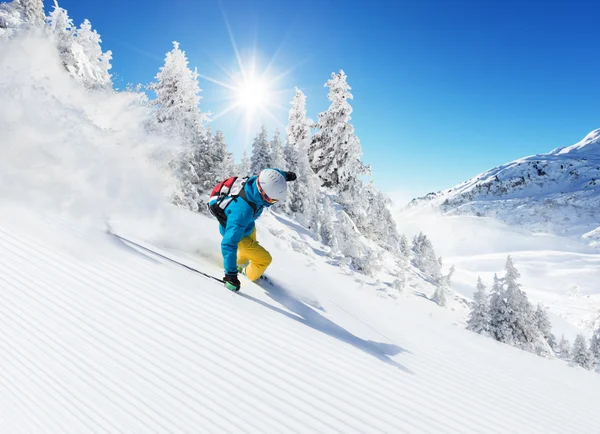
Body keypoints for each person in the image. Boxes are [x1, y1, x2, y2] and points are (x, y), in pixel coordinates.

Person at [210, 168, 297, 292]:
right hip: (239, 234)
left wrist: (285, 176)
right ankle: (248, 273)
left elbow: (270, 174)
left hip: (247, 226)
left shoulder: (257, 182)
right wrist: (230, 276)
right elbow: (228, 244)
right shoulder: (242, 212)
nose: (271, 203)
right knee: (264, 259)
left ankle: (240, 264)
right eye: (271, 200)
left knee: (248, 250)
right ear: (262, 192)